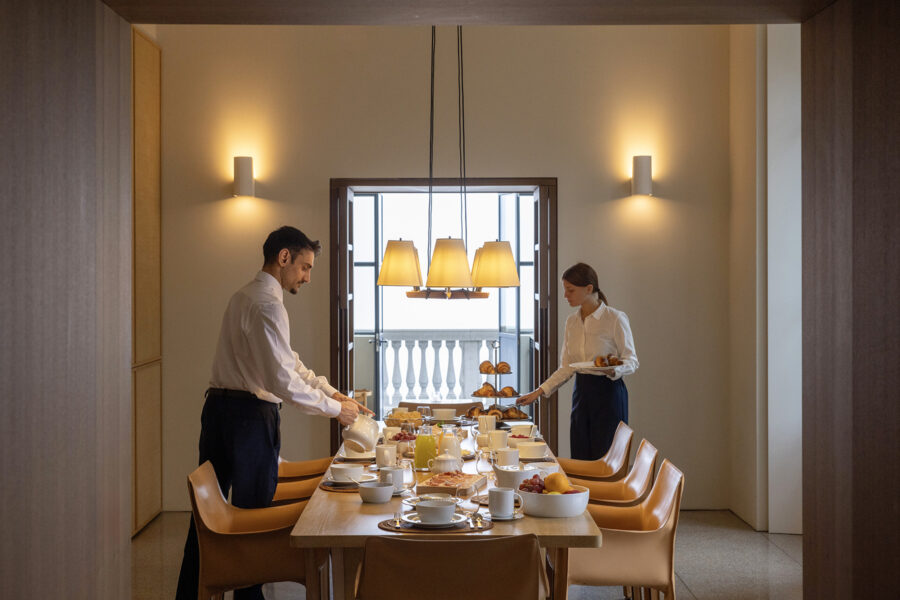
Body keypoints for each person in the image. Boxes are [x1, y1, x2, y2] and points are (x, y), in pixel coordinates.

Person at [175, 225, 373, 600]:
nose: (307, 277)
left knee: (205, 518)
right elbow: (282, 379)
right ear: (284, 257)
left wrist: (332, 392)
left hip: (218, 410)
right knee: (252, 518)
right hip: (250, 419)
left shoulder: (244, 296)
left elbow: (288, 362)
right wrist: (336, 410)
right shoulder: (268, 305)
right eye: (305, 267)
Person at [517, 263, 638, 460]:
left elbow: (631, 361)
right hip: (581, 392)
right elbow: (567, 368)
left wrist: (612, 370)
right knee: (580, 454)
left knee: (607, 458)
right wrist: (538, 392)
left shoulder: (614, 318)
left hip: (609, 393)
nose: (565, 295)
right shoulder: (571, 322)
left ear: (589, 288)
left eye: (570, 290)